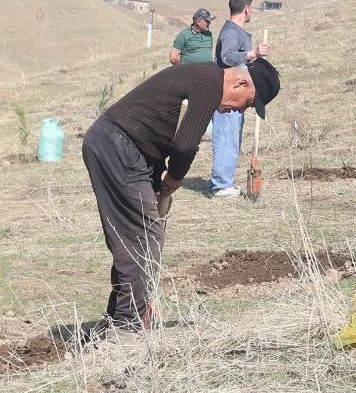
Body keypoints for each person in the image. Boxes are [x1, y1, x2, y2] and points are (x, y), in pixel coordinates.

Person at [82, 59, 280, 334]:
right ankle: (126, 325)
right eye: (247, 104)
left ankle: (122, 315)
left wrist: (161, 177)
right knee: (141, 235)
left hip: (126, 149)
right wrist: (175, 177)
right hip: (117, 146)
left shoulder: (205, 77)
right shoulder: (210, 82)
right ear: (241, 83)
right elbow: (185, 145)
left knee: (138, 234)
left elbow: (166, 133)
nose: (238, 110)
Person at [209, 0, 271, 198]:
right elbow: (226, 56)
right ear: (246, 9)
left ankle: (224, 182)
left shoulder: (236, 31)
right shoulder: (231, 32)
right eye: (251, 8)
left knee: (231, 138)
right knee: (226, 138)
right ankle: (220, 186)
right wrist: (252, 53)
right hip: (227, 97)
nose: (251, 11)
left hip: (236, 97)